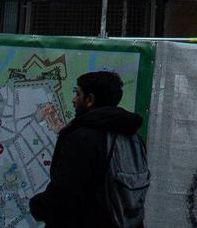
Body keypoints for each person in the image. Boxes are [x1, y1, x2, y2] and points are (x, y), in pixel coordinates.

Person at [28, 69, 147, 226]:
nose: (74, 100)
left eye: (78, 94)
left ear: (90, 99)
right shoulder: (134, 139)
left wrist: (38, 206)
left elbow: (64, 193)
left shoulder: (84, 138)